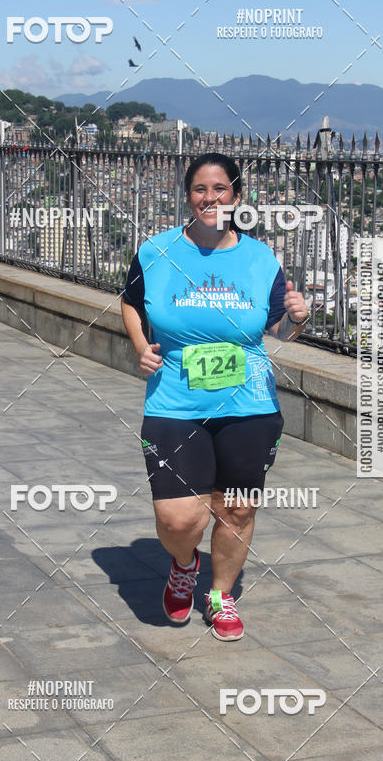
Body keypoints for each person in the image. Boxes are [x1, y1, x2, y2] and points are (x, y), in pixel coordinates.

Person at [121, 152, 309, 641]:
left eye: (221, 189)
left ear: (237, 196)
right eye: (201, 190)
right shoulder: (155, 252)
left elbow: (278, 331)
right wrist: (142, 349)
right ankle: (184, 564)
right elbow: (130, 302)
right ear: (189, 196)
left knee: (238, 508)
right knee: (179, 516)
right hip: (175, 402)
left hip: (248, 405)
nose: (211, 198)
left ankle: (220, 595)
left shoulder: (260, 258)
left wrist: (298, 318)